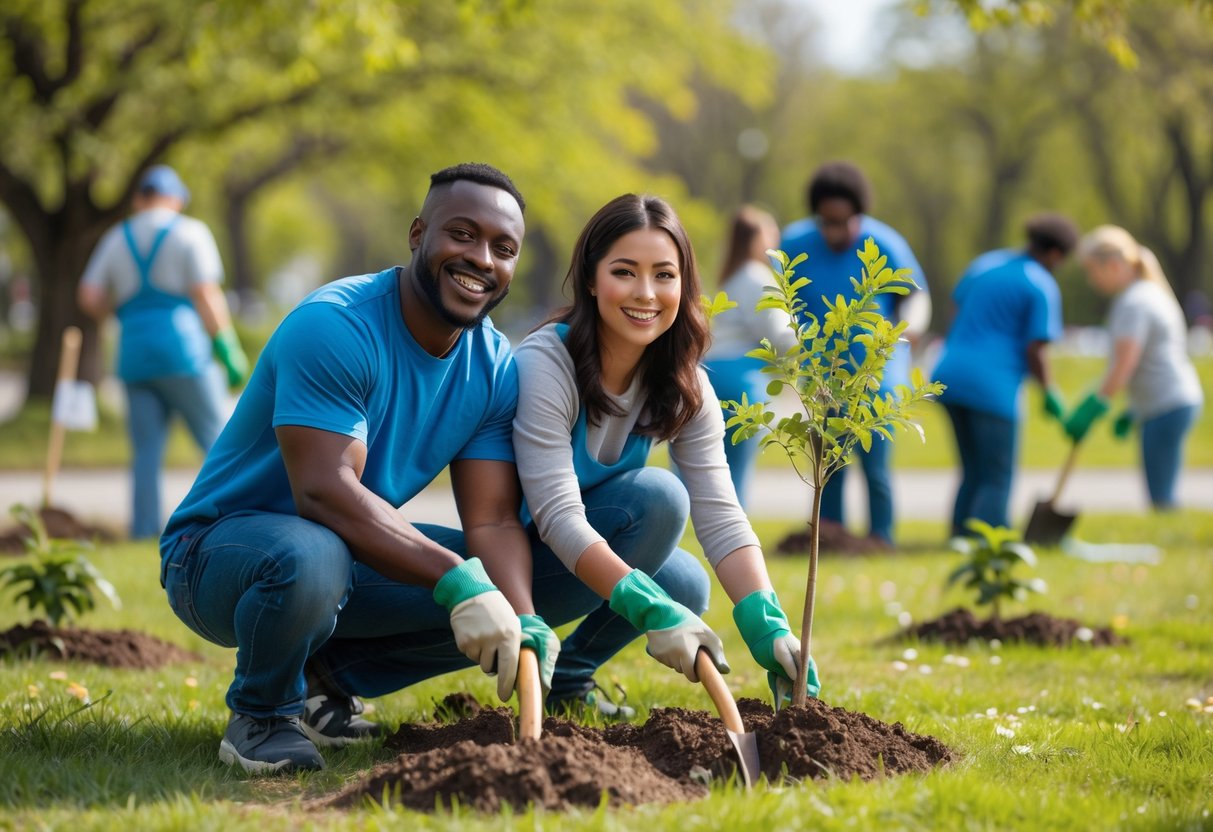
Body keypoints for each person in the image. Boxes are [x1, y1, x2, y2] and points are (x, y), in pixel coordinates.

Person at [158, 163, 560, 774]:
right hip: (217, 555)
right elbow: (324, 491)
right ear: (417, 233)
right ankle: (262, 716)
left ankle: (327, 679)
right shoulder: (337, 325)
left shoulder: (495, 366)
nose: (482, 259)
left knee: (544, 573)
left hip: (343, 554)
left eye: (503, 248)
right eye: (462, 234)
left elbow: (496, 521)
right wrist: (458, 581)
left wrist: (522, 613)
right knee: (312, 552)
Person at [512, 194, 820, 719]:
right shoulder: (547, 362)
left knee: (683, 581)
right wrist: (648, 610)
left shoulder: (684, 384)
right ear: (591, 279)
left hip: (580, 561)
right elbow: (557, 515)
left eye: (664, 275)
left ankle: (567, 677)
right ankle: (347, 675)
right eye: (625, 272)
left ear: (685, 284)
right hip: (516, 562)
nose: (646, 293)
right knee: (658, 498)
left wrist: (768, 626)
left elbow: (721, 513)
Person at [77, 165, 250, 540]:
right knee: (219, 441)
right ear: (177, 199)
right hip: (183, 352)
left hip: (134, 353)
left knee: (145, 452)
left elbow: (89, 295)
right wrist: (227, 346)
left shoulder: (116, 237)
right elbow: (206, 293)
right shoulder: (190, 232)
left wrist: (122, 313)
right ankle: (235, 521)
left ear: (140, 198)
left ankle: (143, 531)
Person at [779, 162, 931, 548]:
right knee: (828, 464)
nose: (839, 231)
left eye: (847, 221)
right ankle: (831, 538)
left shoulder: (884, 242)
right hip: (821, 375)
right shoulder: (794, 243)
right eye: (829, 222)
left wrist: (909, 327)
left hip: (874, 374)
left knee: (875, 462)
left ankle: (882, 539)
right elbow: (779, 300)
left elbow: (916, 296)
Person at [931, 214, 1080, 538]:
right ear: (1056, 254)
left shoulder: (985, 264)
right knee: (997, 475)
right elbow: (1036, 349)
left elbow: (955, 311)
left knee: (972, 471)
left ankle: (959, 537)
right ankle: (988, 545)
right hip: (993, 388)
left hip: (948, 376)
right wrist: (1050, 391)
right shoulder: (1040, 283)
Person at [1066, 225, 1204, 509]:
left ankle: (1168, 540)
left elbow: (1125, 363)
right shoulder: (1148, 293)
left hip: (1165, 403)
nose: (1092, 280)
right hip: (1170, 401)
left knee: (1160, 493)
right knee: (1160, 484)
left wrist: (1095, 404)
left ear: (1114, 265)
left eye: (1093, 271)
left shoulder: (1134, 302)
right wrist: (1133, 410)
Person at [703, 206, 796, 508]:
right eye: (770, 231)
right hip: (744, 377)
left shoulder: (729, 278)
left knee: (709, 465)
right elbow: (778, 335)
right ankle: (734, 531)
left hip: (712, 372)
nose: (776, 238)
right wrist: (811, 346)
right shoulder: (759, 278)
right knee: (737, 469)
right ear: (756, 239)